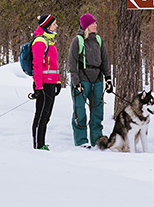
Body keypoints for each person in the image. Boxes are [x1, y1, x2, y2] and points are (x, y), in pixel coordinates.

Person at [68, 12, 111, 148]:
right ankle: (81, 141)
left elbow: (105, 61)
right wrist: (76, 82)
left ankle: (97, 140)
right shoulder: (78, 41)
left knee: (98, 112)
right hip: (82, 80)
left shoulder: (98, 40)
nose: (96, 25)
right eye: (93, 23)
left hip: (97, 80)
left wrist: (108, 79)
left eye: (95, 23)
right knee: (80, 111)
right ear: (86, 26)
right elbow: (72, 63)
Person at [31, 14, 61, 151]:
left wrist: (58, 81)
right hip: (43, 84)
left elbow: (54, 65)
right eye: (54, 24)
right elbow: (37, 65)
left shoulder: (50, 41)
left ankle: (41, 143)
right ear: (47, 25)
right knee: (41, 115)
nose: (56, 26)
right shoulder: (40, 41)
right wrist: (38, 86)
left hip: (50, 83)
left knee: (46, 115)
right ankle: (38, 145)